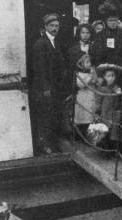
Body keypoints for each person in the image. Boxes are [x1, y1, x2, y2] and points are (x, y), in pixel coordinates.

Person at [31, 13, 67, 154]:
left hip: (55, 88)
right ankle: (45, 146)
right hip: (45, 89)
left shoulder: (55, 43)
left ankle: (52, 143)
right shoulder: (40, 44)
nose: (54, 28)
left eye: (57, 26)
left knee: (53, 116)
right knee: (45, 117)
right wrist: (45, 88)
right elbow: (39, 69)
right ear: (45, 27)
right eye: (51, 26)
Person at [90, 0, 122, 81]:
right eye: (110, 20)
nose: (113, 23)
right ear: (106, 21)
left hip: (119, 69)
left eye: (115, 20)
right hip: (103, 70)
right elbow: (96, 54)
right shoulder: (100, 35)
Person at [95, 63, 122, 150]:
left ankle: (111, 148)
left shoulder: (116, 88)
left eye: (112, 76)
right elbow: (98, 102)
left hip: (113, 112)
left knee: (112, 130)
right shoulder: (102, 88)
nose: (111, 78)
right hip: (105, 112)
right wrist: (97, 112)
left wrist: (119, 94)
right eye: (108, 76)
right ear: (104, 77)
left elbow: (119, 102)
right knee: (104, 129)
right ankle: (103, 148)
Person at [73, 54, 98, 137]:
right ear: (82, 63)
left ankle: (87, 136)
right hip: (82, 98)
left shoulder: (92, 72)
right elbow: (81, 85)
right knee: (81, 117)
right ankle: (79, 136)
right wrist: (90, 76)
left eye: (90, 62)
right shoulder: (79, 74)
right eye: (87, 62)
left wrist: (94, 75)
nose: (89, 64)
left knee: (89, 117)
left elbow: (96, 82)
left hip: (90, 98)